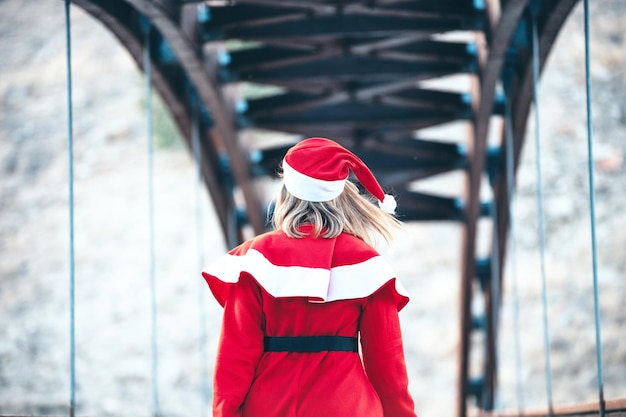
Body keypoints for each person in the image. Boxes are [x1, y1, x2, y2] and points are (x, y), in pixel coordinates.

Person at [202, 137, 418, 417]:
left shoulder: (254, 260)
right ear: (340, 197)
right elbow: (389, 370)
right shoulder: (367, 266)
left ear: (286, 194)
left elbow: (234, 362)